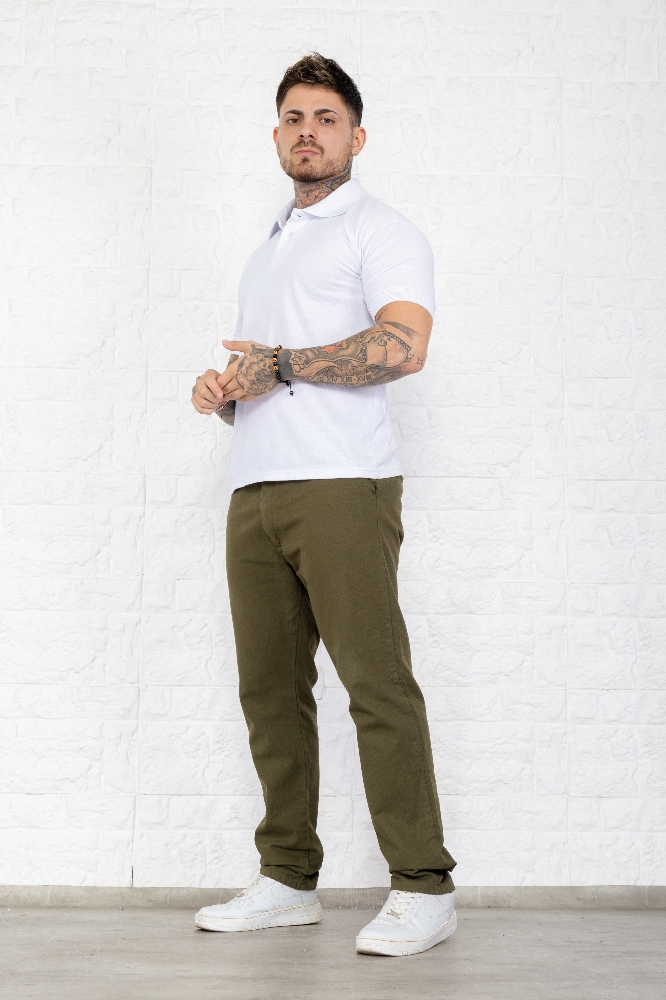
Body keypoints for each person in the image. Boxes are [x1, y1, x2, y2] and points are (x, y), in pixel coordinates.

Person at [190, 53, 456, 958]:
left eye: (327, 119)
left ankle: (423, 886)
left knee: (376, 685)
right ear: (277, 136)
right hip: (255, 487)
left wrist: (285, 363)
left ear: (357, 136)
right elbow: (271, 373)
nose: (309, 132)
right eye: (295, 118)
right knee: (269, 690)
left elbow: (404, 346)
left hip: (344, 485)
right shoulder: (269, 247)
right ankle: (287, 878)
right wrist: (228, 391)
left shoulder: (379, 229)